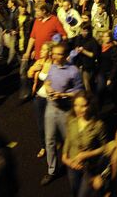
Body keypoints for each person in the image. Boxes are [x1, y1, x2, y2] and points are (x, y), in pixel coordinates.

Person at [41, 43, 84, 185]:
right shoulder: (52, 66)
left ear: (65, 55)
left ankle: (72, 166)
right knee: (50, 140)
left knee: (68, 141)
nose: (55, 56)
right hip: (51, 108)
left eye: (58, 54)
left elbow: (79, 91)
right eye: (53, 54)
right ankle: (51, 171)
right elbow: (48, 81)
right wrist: (48, 87)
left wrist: (63, 94)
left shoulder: (73, 71)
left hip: (65, 111)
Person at [62, 92, 107, 197]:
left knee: (83, 194)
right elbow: (68, 138)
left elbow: (105, 148)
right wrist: (64, 157)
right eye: (76, 105)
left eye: (83, 106)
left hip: (89, 168)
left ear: (89, 106)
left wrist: (87, 154)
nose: (78, 109)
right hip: (71, 164)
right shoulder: (71, 119)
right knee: (74, 190)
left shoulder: (98, 125)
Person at [28, 42, 55, 159]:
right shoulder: (39, 62)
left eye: (43, 50)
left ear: (49, 52)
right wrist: (33, 68)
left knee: (52, 124)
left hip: (51, 99)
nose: (40, 52)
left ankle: (54, 144)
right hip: (39, 97)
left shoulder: (54, 64)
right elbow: (29, 74)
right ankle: (44, 146)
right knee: (41, 125)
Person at [71, 22, 100, 94]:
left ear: (89, 31)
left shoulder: (93, 41)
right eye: (82, 30)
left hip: (88, 66)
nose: (83, 33)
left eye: (85, 31)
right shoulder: (79, 38)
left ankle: (89, 99)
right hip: (78, 64)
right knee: (77, 84)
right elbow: (76, 47)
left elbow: (93, 55)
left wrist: (83, 51)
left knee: (86, 84)